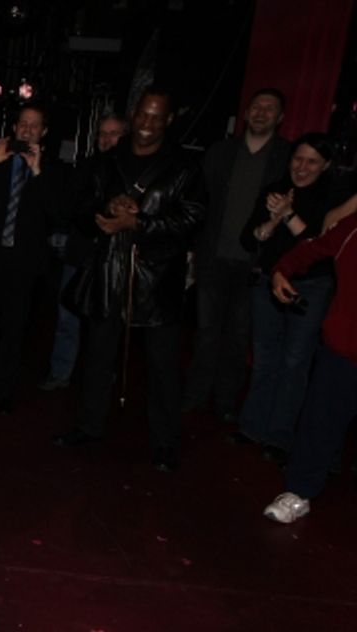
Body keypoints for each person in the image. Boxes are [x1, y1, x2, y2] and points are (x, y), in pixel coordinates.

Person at [52, 87, 206, 472]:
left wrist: (138, 222)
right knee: (98, 355)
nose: (148, 124)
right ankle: (88, 426)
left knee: (162, 365)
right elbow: (79, 207)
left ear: (168, 121)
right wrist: (106, 211)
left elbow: (192, 219)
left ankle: (166, 442)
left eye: (157, 117)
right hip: (109, 268)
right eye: (143, 115)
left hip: (158, 278)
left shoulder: (184, 166)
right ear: (133, 115)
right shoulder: (106, 161)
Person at [184, 89, 290, 422]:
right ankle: (195, 395)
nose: (261, 113)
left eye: (269, 109)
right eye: (256, 106)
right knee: (206, 333)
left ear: (280, 118)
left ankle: (226, 403)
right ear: (246, 114)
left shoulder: (287, 157)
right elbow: (199, 201)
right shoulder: (221, 151)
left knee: (238, 336)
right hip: (213, 255)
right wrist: (192, 248)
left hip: (253, 262)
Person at [234, 134, 341, 463]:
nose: (302, 167)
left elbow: (320, 248)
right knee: (265, 356)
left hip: (309, 286)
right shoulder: (275, 189)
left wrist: (290, 215)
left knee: (295, 361)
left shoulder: (332, 197)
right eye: (298, 159)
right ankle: (252, 426)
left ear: (325, 166)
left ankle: (279, 436)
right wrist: (271, 221)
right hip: (266, 281)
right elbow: (248, 239)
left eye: (311, 161)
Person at [0, 104, 66, 413]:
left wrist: (37, 172)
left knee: (14, 328)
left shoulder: (52, 169)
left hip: (23, 262)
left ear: (43, 132)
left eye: (34, 125)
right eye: (22, 123)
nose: (26, 130)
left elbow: (58, 214)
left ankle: (4, 389)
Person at [261, 210, 357, 524]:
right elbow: (313, 248)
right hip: (343, 350)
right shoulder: (352, 227)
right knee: (319, 424)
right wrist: (281, 270)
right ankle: (298, 493)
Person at [39, 113, 126, 391]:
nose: (106, 139)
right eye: (102, 133)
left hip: (113, 257)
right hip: (80, 252)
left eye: (113, 133)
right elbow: (69, 208)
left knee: (107, 321)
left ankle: (102, 375)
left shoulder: (130, 171)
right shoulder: (85, 167)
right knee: (68, 316)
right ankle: (61, 372)